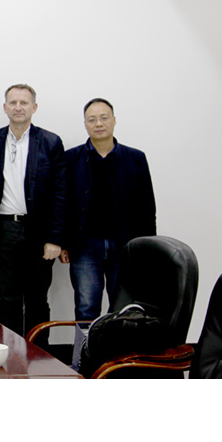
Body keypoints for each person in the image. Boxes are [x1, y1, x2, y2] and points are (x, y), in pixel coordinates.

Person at [0, 84, 66, 338]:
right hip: (3, 230)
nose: (18, 107)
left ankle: (39, 355)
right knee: (8, 298)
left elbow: (61, 193)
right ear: (5, 107)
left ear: (34, 107)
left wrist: (55, 238)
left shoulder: (50, 142)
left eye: (24, 103)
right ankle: (10, 354)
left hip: (39, 232)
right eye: (13, 102)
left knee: (37, 298)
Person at [64, 98, 156, 320]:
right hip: (84, 246)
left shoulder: (135, 158)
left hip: (125, 245)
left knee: (123, 307)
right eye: (92, 119)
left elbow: (147, 206)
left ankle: (116, 345)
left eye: (104, 118)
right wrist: (64, 242)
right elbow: (63, 204)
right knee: (86, 307)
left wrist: (146, 247)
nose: (98, 123)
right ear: (85, 124)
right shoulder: (71, 159)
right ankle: (84, 345)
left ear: (114, 120)